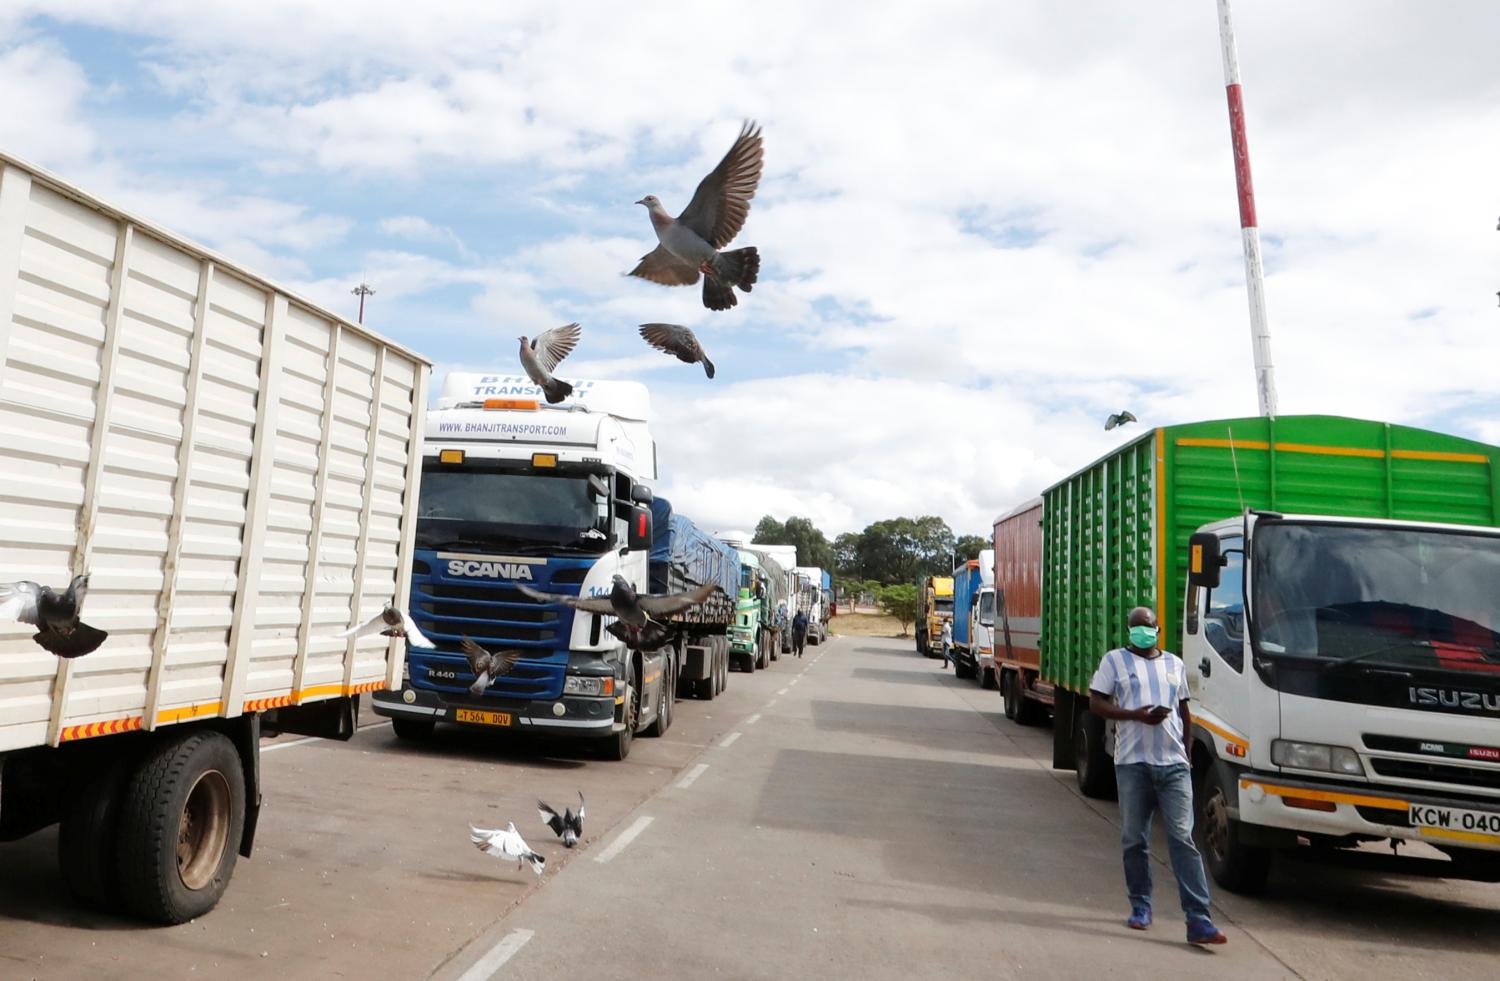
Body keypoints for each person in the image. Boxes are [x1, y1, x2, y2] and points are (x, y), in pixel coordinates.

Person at [1088, 606, 1227, 946]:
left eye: (1147, 627)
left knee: (1183, 838)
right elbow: (1097, 702)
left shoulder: (1174, 664)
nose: (1142, 632)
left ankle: (1198, 919)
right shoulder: (1114, 661)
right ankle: (1141, 906)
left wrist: (1187, 746)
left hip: (1173, 765)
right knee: (1134, 838)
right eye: (1136, 627)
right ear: (1128, 631)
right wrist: (1133, 715)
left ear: (1158, 630)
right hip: (1132, 763)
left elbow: (1183, 710)